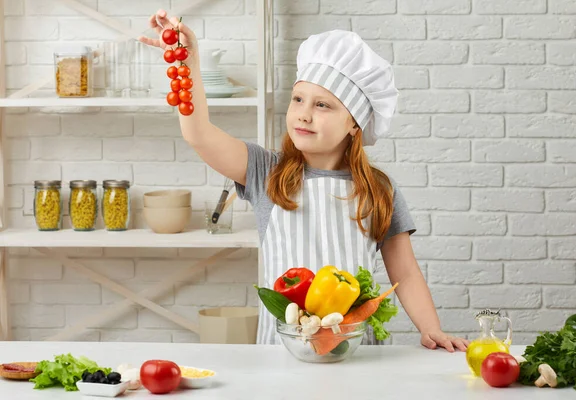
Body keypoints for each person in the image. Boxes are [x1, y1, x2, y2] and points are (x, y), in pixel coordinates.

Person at [140, 10, 469, 352]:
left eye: (323, 105)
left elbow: (406, 273)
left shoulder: (379, 190)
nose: (304, 114)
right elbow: (199, 134)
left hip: (355, 353)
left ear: (354, 124)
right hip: (280, 354)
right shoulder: (265, 170)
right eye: (298, 99)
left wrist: (431, 329)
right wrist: (187, 62)